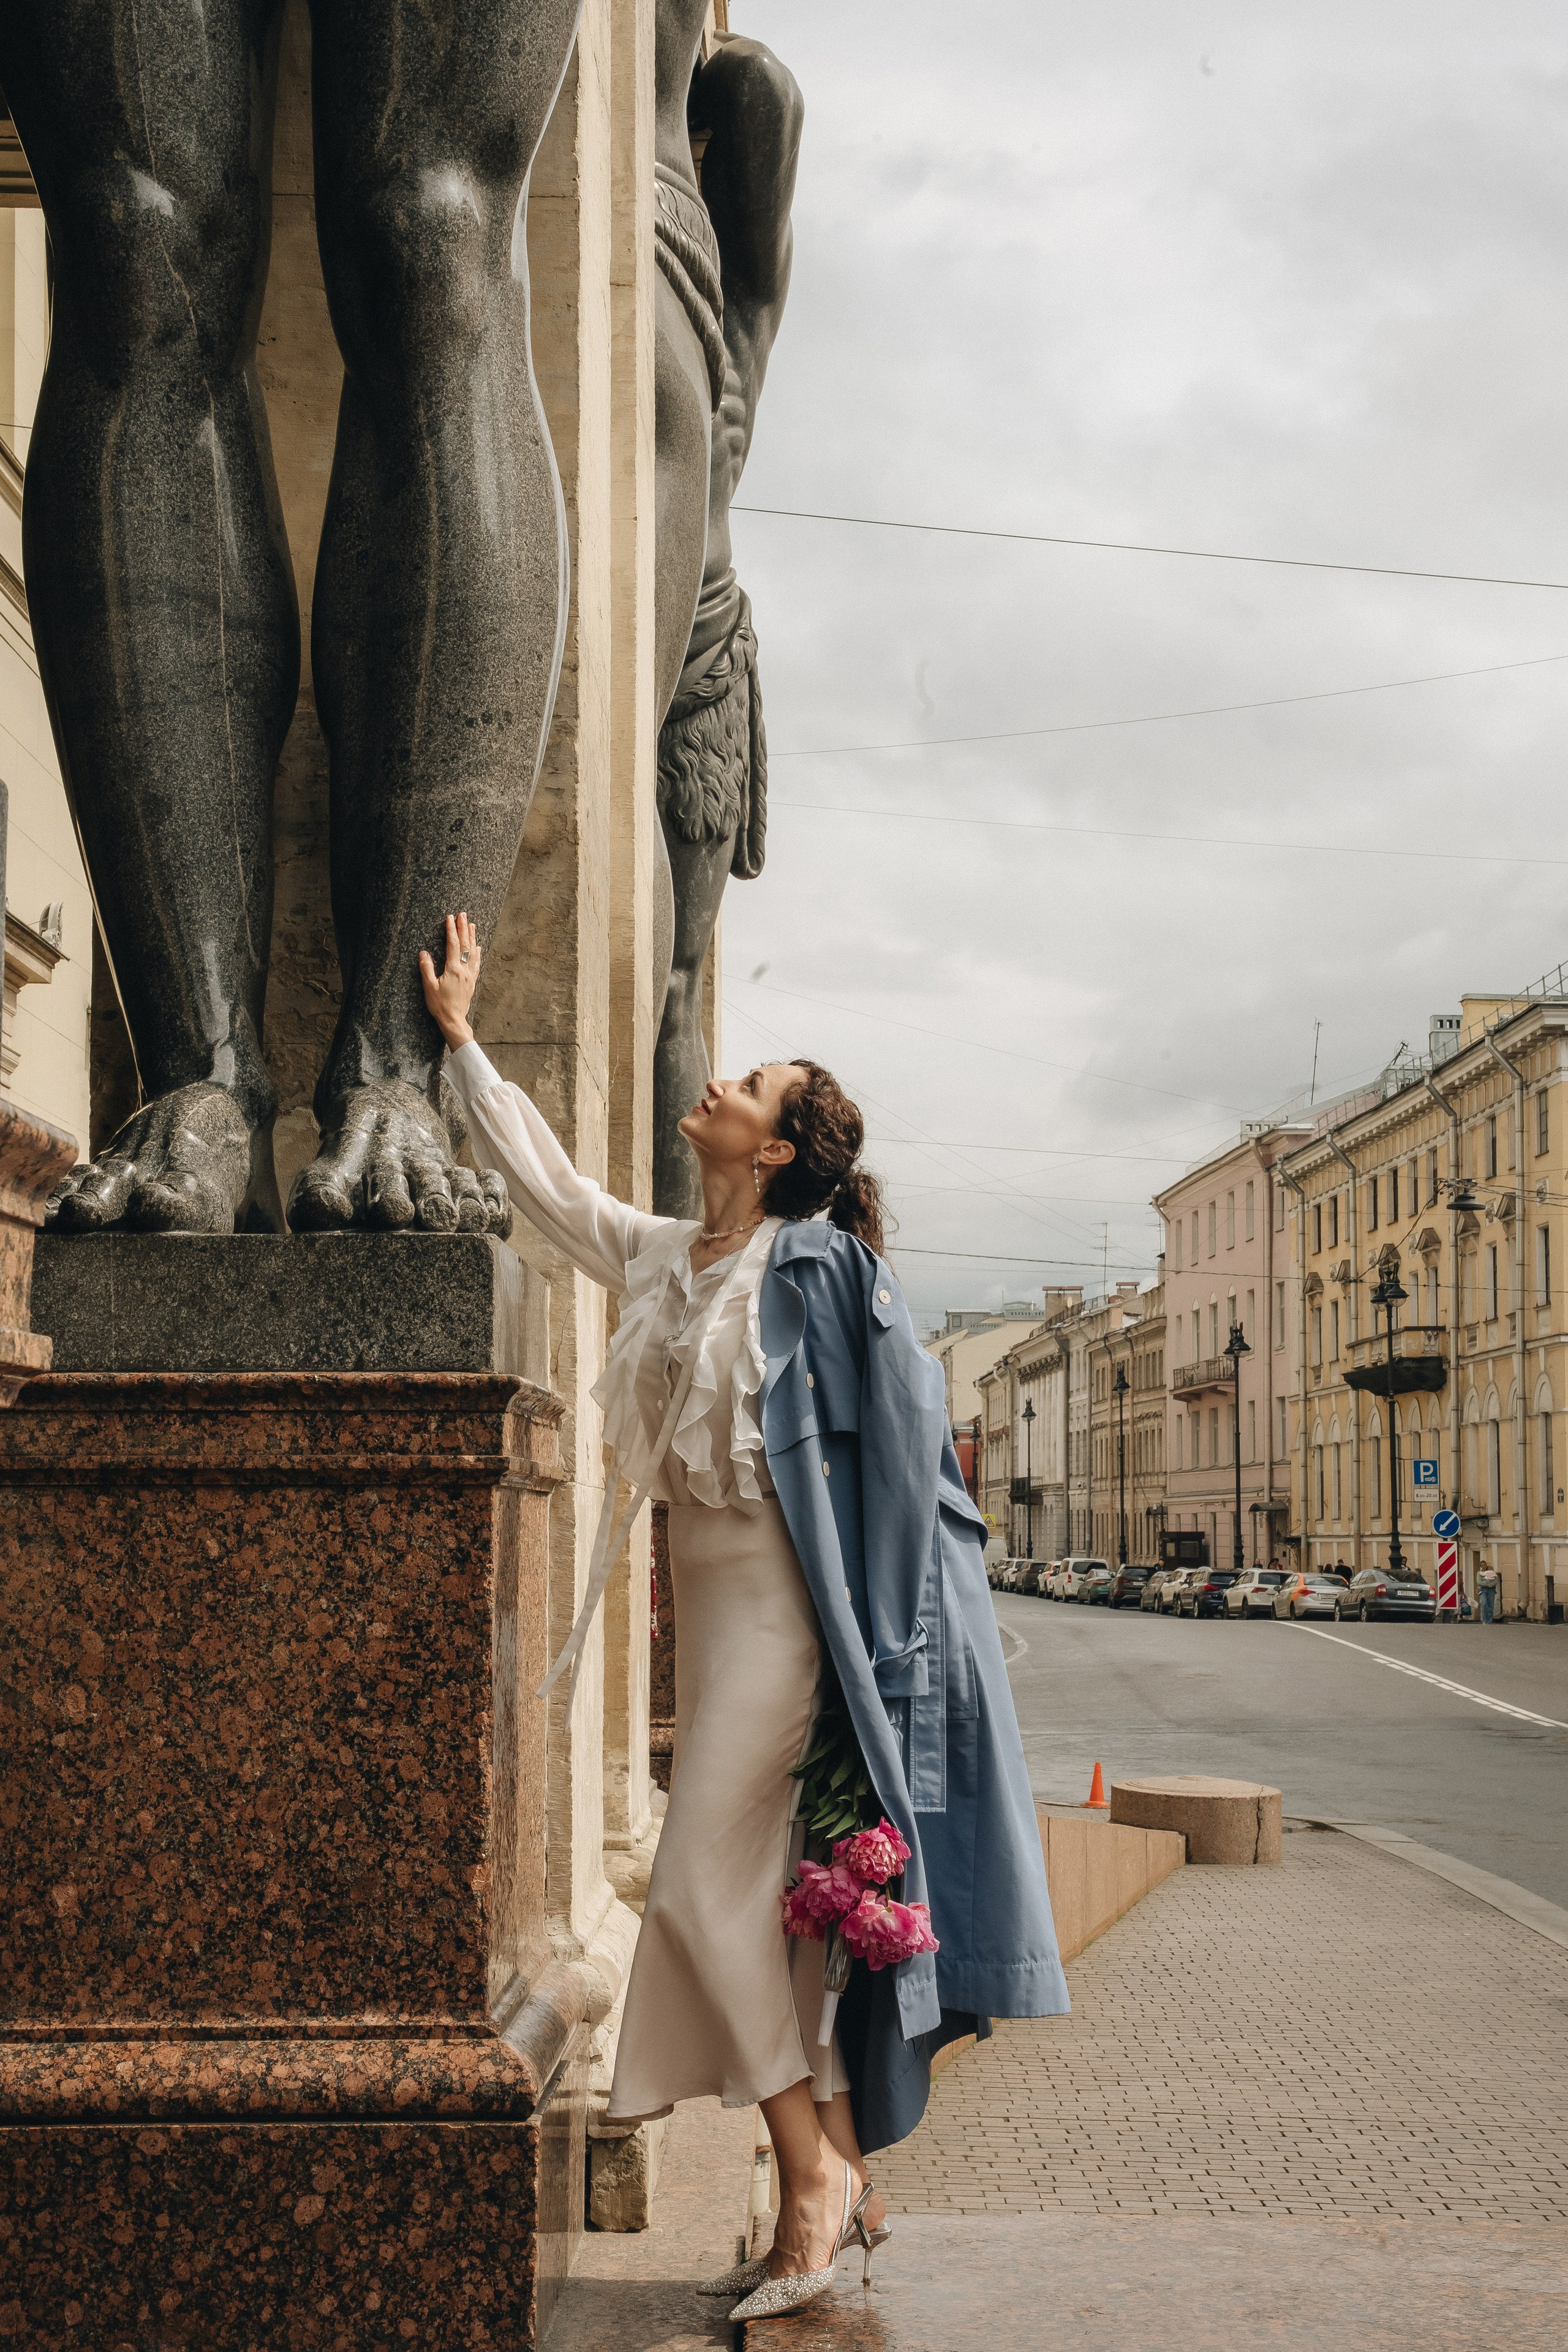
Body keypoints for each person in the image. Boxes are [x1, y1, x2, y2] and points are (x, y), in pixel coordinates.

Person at [420, 914, 1066, 2323]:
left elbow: (910, 1472)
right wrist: (463, 1044)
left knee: (699, 1878)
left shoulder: (823, 1273)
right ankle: (826, 2169)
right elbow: (554, 1194)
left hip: (789, 1617)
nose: (713, 1086)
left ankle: (810, 2169)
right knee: (762, 1915)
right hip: (701, 1621)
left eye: (746, 1085)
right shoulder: (669, 1255)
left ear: (775, 1147)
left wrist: (889, 1667)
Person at [1477, 1560, 1501, 1624]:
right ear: (1480, 1567)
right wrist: (1484, 1584)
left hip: (1491, 1590)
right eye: (1482, 1566)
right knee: (1483, 1603)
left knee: (1491, 1606)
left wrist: (1489, 1585)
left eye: (1484, 1565)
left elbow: (1495, 1581)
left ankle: (1489, 1621)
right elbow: (1479, 1582)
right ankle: (1484, 1620)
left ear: (1486, 1565)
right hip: (1483, 1590)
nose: (1483, 1566)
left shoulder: (1491, 1572)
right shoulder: (1480, 1573)